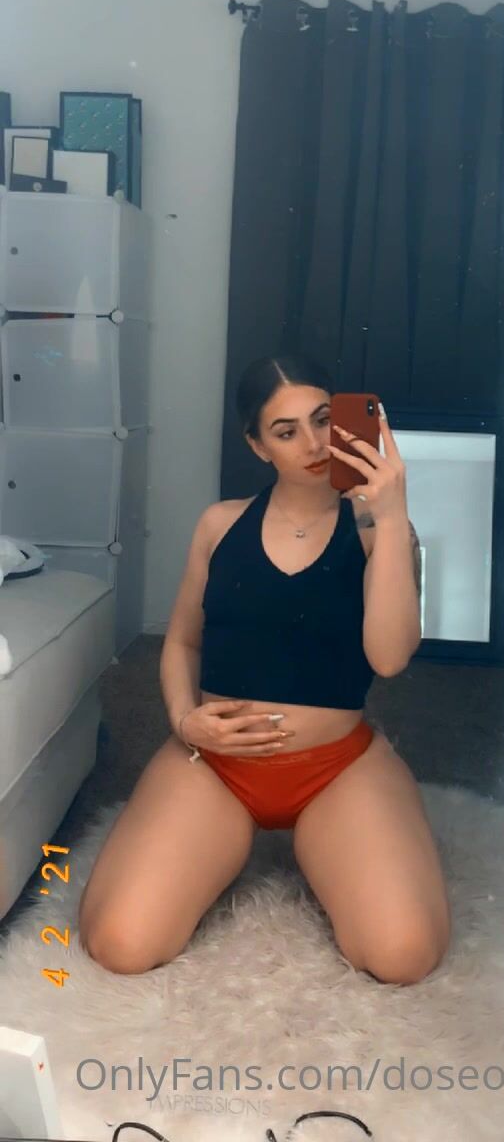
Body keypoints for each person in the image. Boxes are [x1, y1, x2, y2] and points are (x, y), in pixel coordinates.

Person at [79, 353, 451, 981]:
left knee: (403, 955)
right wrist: (184, 720)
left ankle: (334, 842)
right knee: (120, 944)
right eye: (286, 431)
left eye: (323, 419)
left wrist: (391, 516)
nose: (313, 443)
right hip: (214, 763)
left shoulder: (378, 529)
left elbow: (390, 659)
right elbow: (182, 643)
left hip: (337, 766)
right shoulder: (219, 524)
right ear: (258, 446)